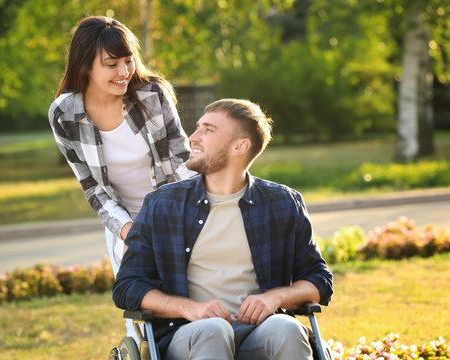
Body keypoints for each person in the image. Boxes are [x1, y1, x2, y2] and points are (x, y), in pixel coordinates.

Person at [113, 99, 333, 360]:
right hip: (188, 334)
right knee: (213, 330)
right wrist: (189, 308)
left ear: (240, 146)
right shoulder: (162, 204)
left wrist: (276, 297)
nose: (193, 137)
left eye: (208, 130)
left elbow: (319, 280)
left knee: (286, 327)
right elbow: (127, 286)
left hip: (259, 332)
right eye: (198, 128)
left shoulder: (283, 203)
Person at [48, 16, 195, 340]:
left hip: (175, 210)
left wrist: (186, 215)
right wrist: (129, 231)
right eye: (111, 64)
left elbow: (182, 159)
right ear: (85, 65)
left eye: (128, 61)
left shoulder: (152, 94)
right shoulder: (64, 113)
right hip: (123, 221)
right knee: (141, 308)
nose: (124, 72)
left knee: (192, 295)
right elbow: (92, 188)